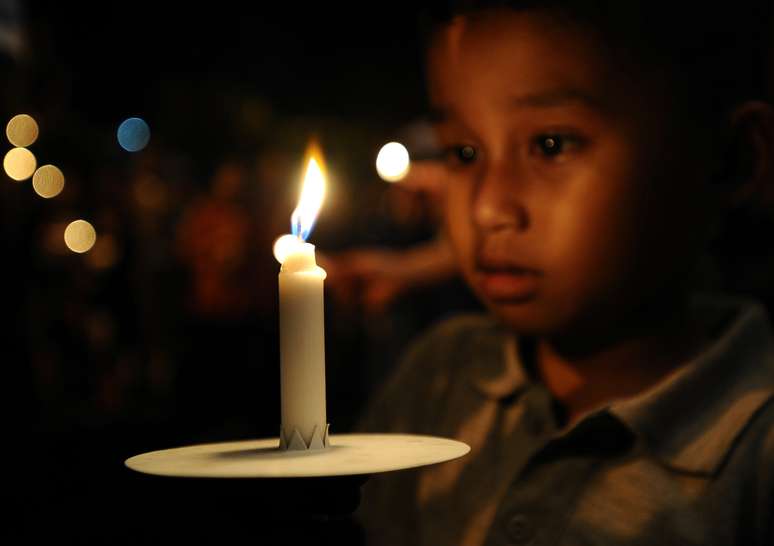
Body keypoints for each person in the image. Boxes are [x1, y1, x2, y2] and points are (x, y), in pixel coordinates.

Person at [353, 2, 774, 546]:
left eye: (551, 145)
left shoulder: (755, 453)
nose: (488, 208)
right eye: (463, 151)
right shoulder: (439, 376)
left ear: (731, 158)